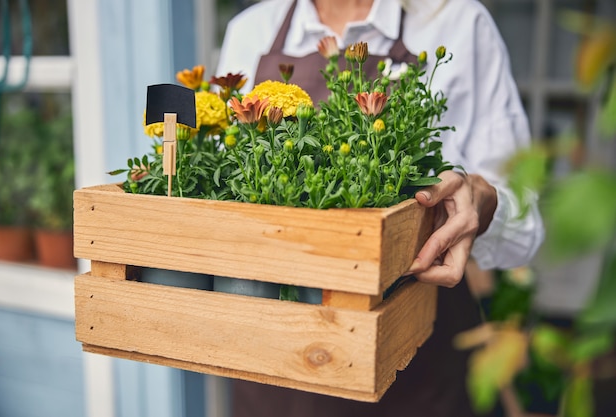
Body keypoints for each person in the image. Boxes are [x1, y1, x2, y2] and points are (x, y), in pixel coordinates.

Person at [216, 0, 544, 416]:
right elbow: (223, 187)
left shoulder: (456, 21)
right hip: (276, 374)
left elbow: (525, 229)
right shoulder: (252, 29)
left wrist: (483, 196)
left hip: (416, 369)